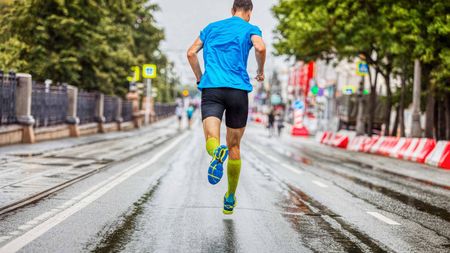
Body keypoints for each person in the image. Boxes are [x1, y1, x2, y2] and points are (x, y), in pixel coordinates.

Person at [187, 0, 266, 214]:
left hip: (212, 89)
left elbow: (191, 53)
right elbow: (260, 47)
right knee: (235, 148)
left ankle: (216, 153)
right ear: (249, 12)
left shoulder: (211, 28)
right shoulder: (251, 28)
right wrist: (260, 70)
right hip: (238, 92)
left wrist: (200, 77)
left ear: (232, 10)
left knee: (212, 140)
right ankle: (230, 198)